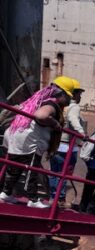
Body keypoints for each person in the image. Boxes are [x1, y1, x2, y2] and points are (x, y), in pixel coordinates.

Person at [0, 76, 75, 208]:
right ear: (61, 94)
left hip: (15, 136)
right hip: (30, 141)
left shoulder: (38, 100)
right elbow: (41, 115)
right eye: (69, 96)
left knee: (15, 168)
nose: (70, 99)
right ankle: (33, 200)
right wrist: (55, 123)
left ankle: (6, 193)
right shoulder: (52, 104)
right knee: (32, 169)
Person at [49, 79, 86, 208]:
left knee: (54, 172)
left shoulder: (62, 105)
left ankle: (53, 197)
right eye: (79, 93)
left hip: (56, 143)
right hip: (67, 146)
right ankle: (60, 199)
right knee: (63, 174)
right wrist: (82, 133)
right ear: (74, 94)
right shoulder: (74, 106)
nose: (80, 96)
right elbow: (73, 119)